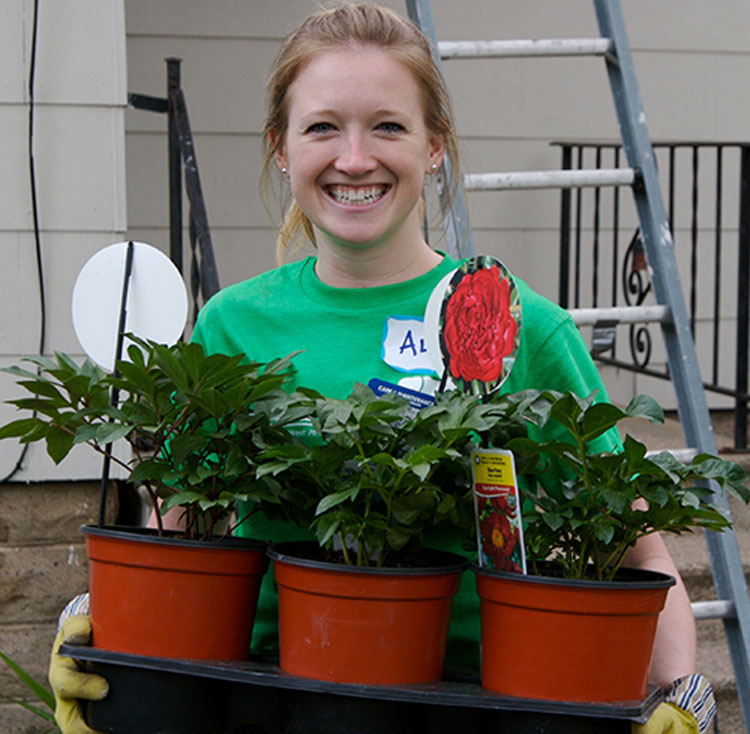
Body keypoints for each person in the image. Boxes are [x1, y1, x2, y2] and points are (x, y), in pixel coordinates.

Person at [49, 3, 714, 733]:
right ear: (281, 148)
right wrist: (100, 625)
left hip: (475, 705)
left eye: (388, 126)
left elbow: (638, 553)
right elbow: (173, 533)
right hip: (266, 699)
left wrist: (686, 698)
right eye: (323, 126)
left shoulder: (519, 324)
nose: (355, 158)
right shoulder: (232, 326)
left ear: (434, 147)